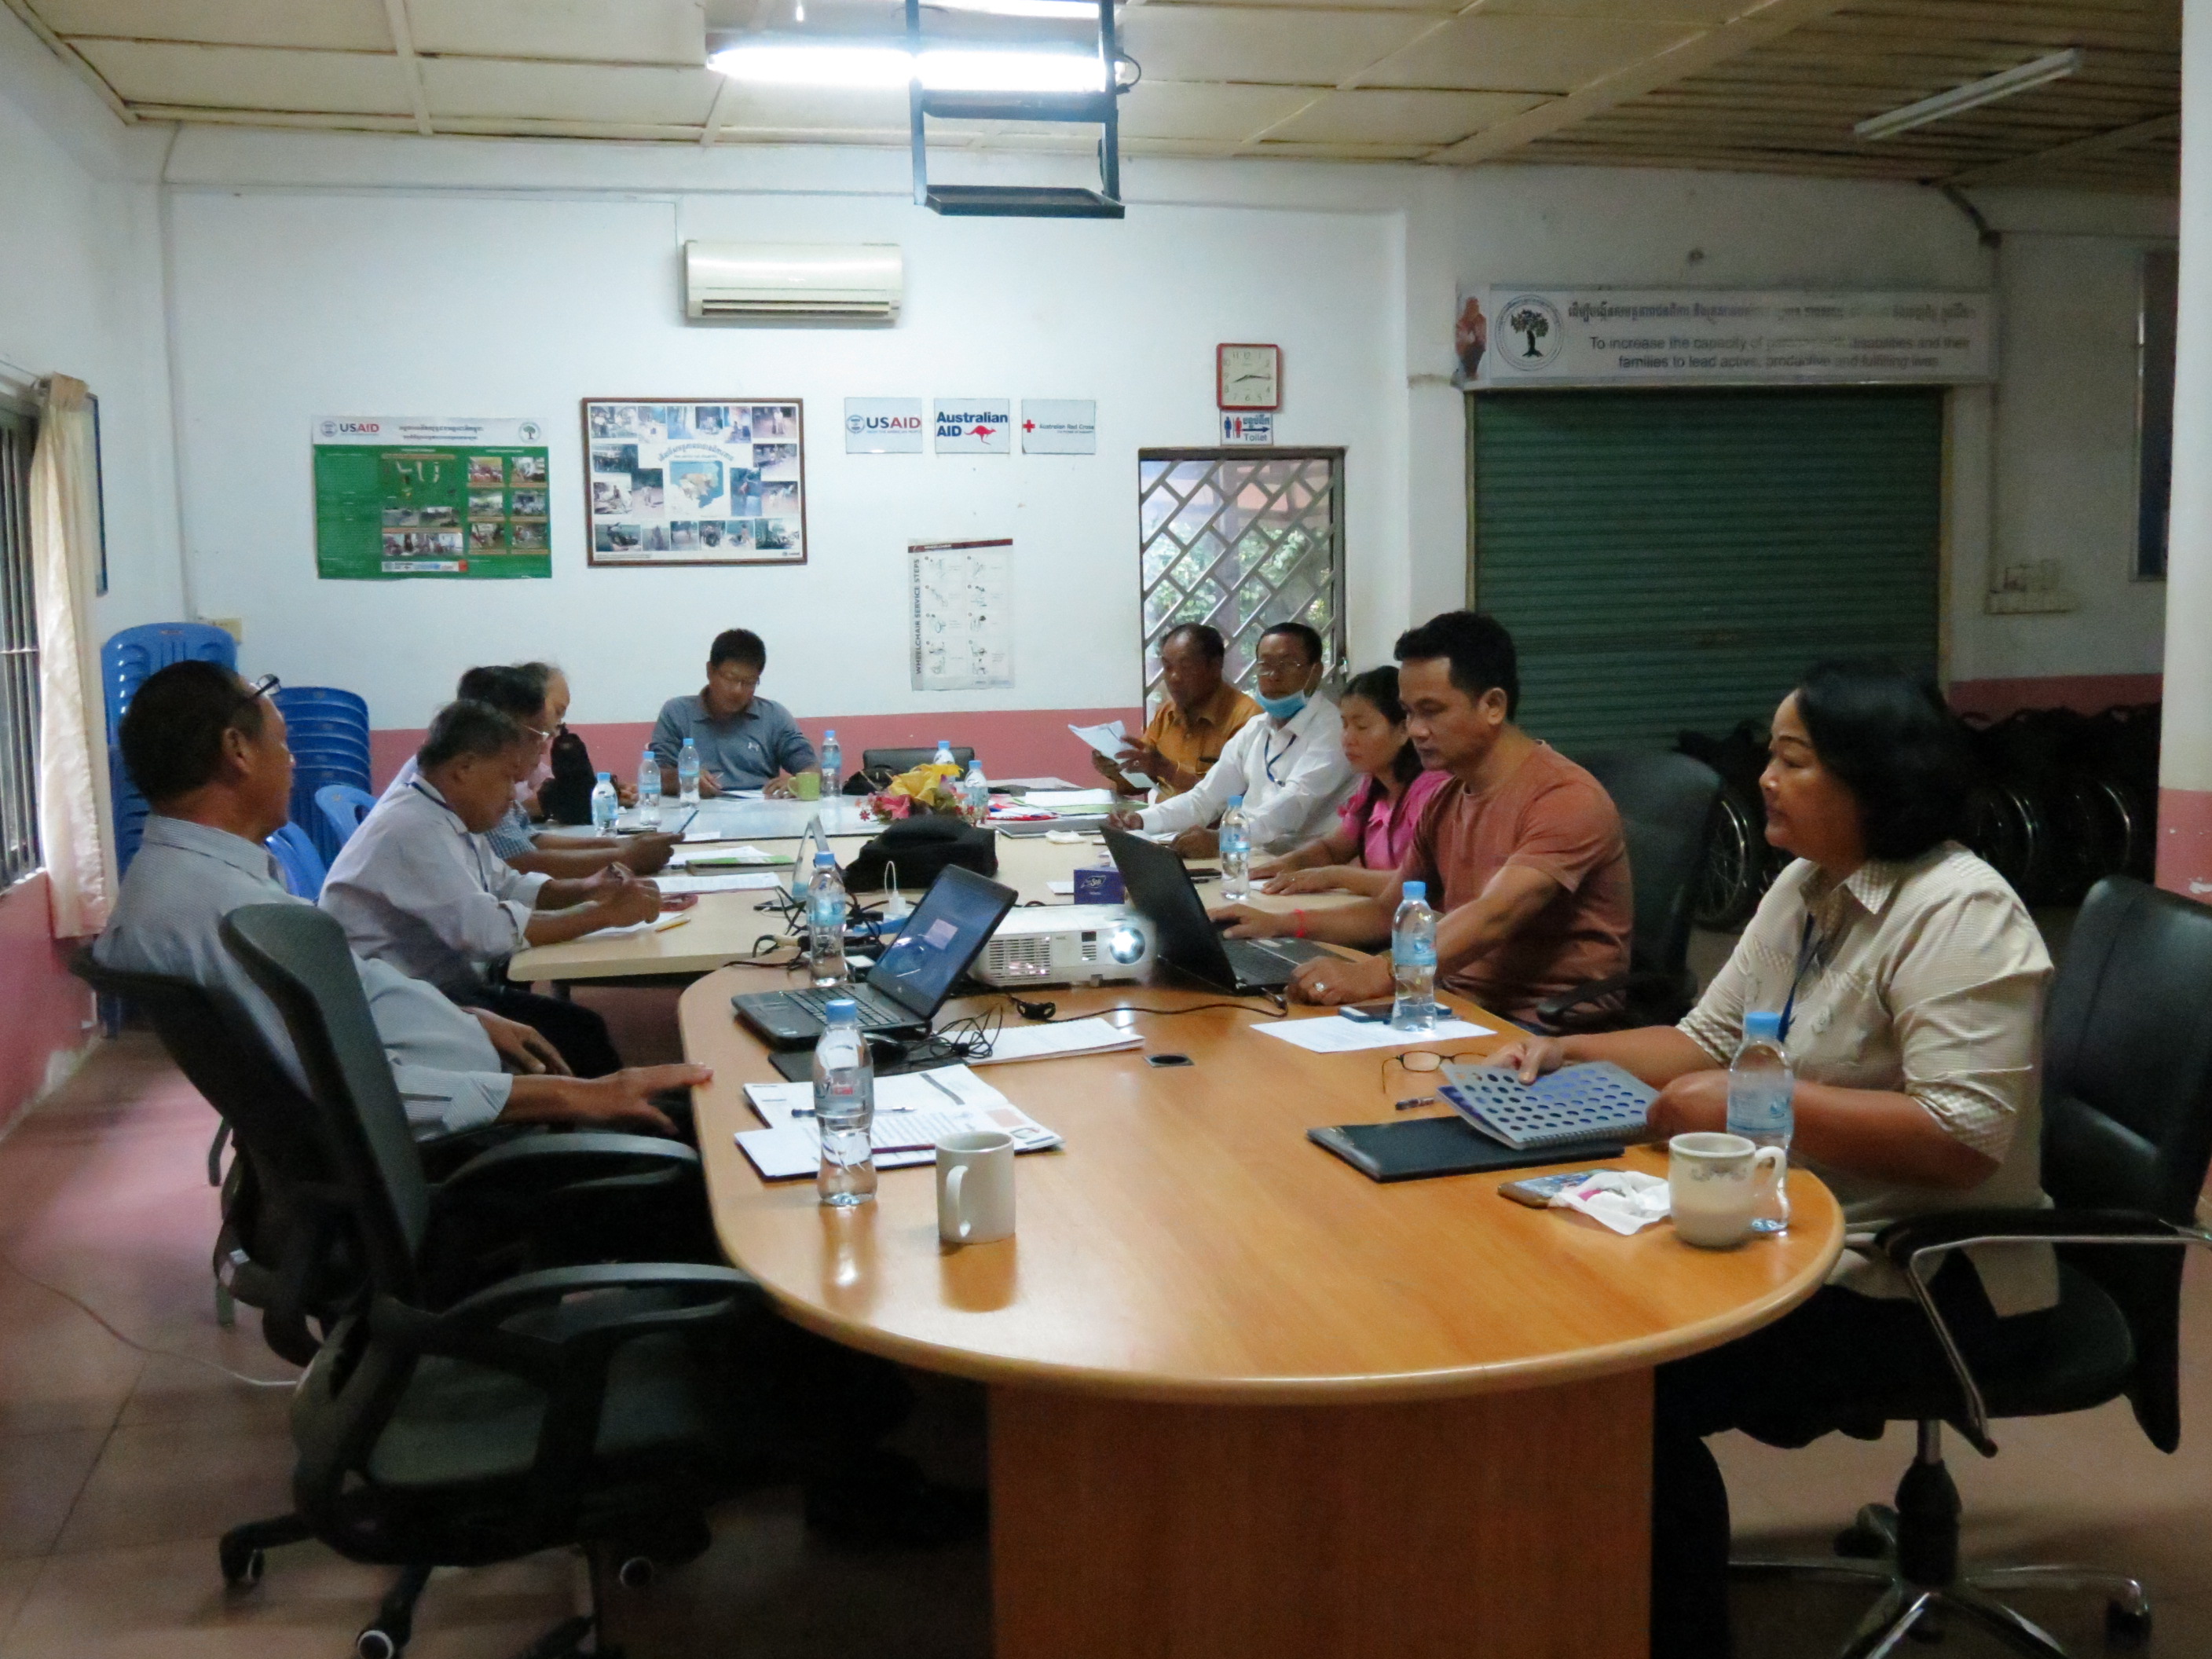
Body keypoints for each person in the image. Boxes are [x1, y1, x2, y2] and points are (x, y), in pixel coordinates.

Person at [1489, 661, 2058, 1659]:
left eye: (1792, 760)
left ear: (1873, 777)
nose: (1763, 779)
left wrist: (1756, 1103)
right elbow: (1705, 1041)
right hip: (1788, 1229)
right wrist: (1567, 1051)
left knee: (1623, 1395)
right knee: (1563, 1312)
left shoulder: (1958, 913)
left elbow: (1961, 1138)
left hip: (1920, 1277)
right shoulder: (1807, 884)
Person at [95, 663, 701, 1141]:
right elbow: (356, 1090)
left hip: (463, 1053)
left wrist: (469, 1018)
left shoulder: (201, 882)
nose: (292, 763)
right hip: (460, 1141)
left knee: (666, 1100)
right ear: (238, 750)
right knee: (689, 1131)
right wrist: (579, 1095)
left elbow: (350, 995)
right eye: (282, 745)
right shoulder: (229, 916)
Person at [1210, 611, 1630, 1025]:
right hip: (1449, 999)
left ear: (1493, 706)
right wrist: (1278, 925)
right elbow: (1385, 913)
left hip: (1538, 1023)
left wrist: (1375, 973)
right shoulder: (1447, 797)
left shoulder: (1564, 797)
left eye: (1431, 711)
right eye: (1409, 712)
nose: (1415, 730)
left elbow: (1495, 915)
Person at [322, 701, 694, 1077]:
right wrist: (604, 915)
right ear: (464, 768)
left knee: (579, 1029)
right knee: (578, 1034)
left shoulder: (444, 814)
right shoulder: (412, 828)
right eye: (505, 779)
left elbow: (507, 884)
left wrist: (588, 888)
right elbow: (488, 933)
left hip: (438, 988)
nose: (513, 796)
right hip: (398, 1011)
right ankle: (604, 1107)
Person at [1108, 622, 1352, 858]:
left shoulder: (1335, 730)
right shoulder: (1256, 729)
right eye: (1265, 665)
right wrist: (1141, 820)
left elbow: (1294, 804)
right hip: (1251, 857)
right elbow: (1205, 798)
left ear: (1315, 671)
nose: (1273, 675)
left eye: (1288, 665)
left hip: (1306, 865)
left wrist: (1225, 838)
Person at [450, 663, 677, 879]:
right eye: (537, 734)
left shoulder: (493, 771)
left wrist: (621, 845)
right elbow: (521, 863)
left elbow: (531, 839)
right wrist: (625, 857)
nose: (546, 742)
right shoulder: (478, 784)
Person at [1256, 665, 1447, 899]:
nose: (1348, 739)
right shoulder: (1373, 785)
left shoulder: (1432, 791)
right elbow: (1332, 849)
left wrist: (1333, 876)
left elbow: (1421, 883)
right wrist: (1282, 865)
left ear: (1402, 730)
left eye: (1362, 727)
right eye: (1345, 725)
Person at [1093, 623, 1262, 802]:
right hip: (1162, 818)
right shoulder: (1166, 713)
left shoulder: (1248, 718)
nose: (1174, 677)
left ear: (1215, 666)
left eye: (1185, 667)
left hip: (1214, 821)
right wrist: (1117, 771)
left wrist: (1168, 771)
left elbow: (1237, 798)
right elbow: (1144, 781)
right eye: (1167, 667)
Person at [651, 628, 816, 798]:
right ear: (710, 671)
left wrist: (797, 782)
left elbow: (812, 768)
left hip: (761, 808)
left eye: (749, 682)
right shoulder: (677, 713)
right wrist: (685, 780)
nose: (737, 691)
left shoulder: (774, 716)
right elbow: (656, 775)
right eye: (730, 679)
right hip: (697, 807)